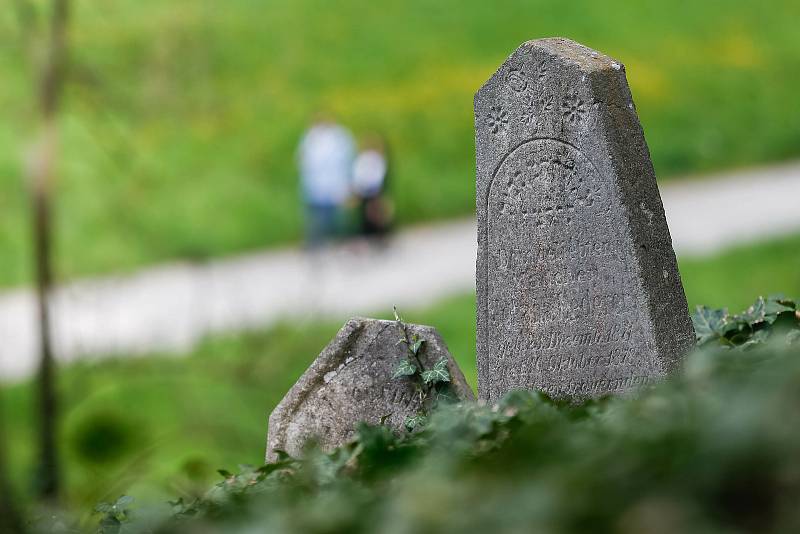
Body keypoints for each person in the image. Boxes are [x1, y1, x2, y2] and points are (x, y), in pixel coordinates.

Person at [297, 113, 356, 247]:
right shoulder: (311, 137)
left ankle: (342, 244)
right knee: (317, 220)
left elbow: (348, 161)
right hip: (316, 186)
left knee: (340, 219)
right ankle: (316, 246)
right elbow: (303, 161)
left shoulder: (340, 137)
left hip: (336, 184)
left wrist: (349, 184)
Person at [351, 135, 393, 240]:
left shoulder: (376, 159)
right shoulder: (363, 159)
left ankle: (380, 237)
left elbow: (378, 176)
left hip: (374, 191)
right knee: (365, 215)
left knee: (376, 215)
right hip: (364, 190)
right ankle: (368, 236)